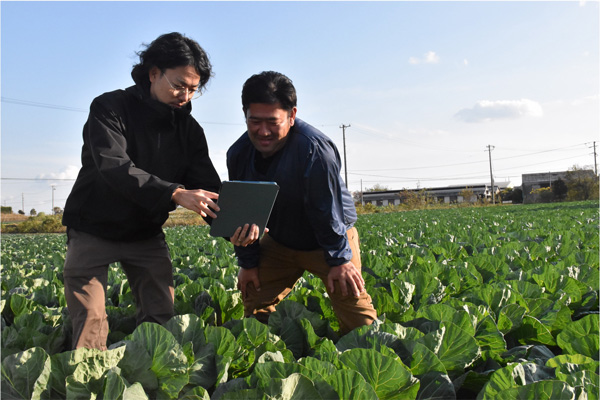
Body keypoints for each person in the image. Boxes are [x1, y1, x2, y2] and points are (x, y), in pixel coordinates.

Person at [62, 32, 258, 350]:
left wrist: (235, 226)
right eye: (179, 85)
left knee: (161, 317)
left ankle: (151, 385)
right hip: (92, 228)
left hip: (144, 233)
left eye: (193, 89)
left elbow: (206, 187)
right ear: (153, 73)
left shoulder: (189, 131)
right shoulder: (110, 108)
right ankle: (89, 387)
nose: (185, 95)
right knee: (90, 319)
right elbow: (114, 166)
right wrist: (174, 193)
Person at [227, 71, 377, 335]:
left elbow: (327, 211)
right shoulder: (238, 154)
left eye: (273, 122)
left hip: (328, 240)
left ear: (292, 115)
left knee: (359, 322)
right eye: (255, 121)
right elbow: (245, 216)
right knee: (254, 307)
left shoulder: (314, 150)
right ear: (245, 115)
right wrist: (247, 264)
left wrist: (340, 261)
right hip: (280, 241)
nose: (263, 131)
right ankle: (270, 362)